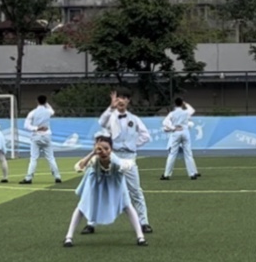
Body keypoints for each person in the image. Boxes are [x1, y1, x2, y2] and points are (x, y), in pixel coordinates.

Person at [62, 133, 146, 246]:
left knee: (127, 205)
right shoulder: (94, 159)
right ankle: (69, 237)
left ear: (111, 149)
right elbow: (79, 167)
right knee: (81, 207)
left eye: (106, 148)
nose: (103, 152)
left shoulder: (116, 160)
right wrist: (92, 153)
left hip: (115, 183)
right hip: (96, 183)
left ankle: (140, 236)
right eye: (100, 149)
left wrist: (110, 156)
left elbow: (125, 166)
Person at [97, 89, 152, 233]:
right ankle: (91, 223)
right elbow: (101, 122)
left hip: (129, 157)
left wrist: (133, 145)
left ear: (128, 101)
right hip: (113, 156)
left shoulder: (134, 119)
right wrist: (110, 107)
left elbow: (146, 135)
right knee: (102, 188)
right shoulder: (111, 117)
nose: (121, 101)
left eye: (124, 98)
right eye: (119, 98)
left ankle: (144, 222)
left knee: (135, 190)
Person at [21, 95, 61, 184]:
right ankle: (57, 176)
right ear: (45, 102)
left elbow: (26, 126)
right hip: (47, 136)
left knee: (34, 158)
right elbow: (52, 111)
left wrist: (36, 128)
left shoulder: (33, 112)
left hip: (36, 136)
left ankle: (29, 178)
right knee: (51, 158)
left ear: (37, 101)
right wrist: (46, 103)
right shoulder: (48, 111)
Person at [161, 96, 199, 180]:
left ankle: (167, 174)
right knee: (188, 154)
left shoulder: (172, 113)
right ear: (182, 104)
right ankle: (192, 174)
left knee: (172, 154)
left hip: (176, 132)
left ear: (175, 104)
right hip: (185, 132)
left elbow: (164, 122)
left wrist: (173, 128)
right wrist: (186, 104)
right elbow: (192, 110)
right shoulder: (185, 112)